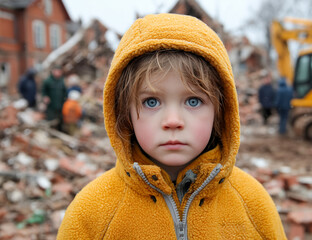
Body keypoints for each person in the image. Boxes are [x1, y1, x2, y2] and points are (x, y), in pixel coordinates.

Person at [57, 14, 286, 239]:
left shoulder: (254, 206)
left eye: (193, 101)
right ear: (124, 113)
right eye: (151, 102)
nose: (173, 121)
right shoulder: (91, 214)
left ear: (220, 112)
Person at [41, 65, 67, 131]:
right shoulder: (48, 81)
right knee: (51, 120)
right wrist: (45, 97)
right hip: (51, 105)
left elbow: (64, 91)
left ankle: (60, 132)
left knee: (60, 121)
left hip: (60, 105)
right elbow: (43, 91)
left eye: (60, 72)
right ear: (53, 72)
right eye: (57, 71)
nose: (58, 73)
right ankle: (51, 132)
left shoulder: (61, 81)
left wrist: (65, 99)